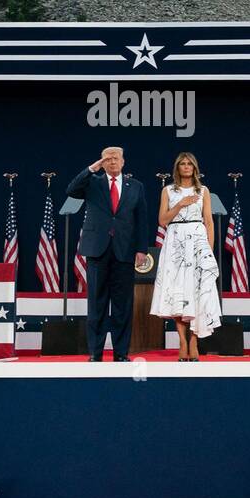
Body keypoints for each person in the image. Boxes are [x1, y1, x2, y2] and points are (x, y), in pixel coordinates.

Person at [66, 146, 149, 362]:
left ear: (123, 162)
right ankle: (95, 352)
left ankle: (121, 353)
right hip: (97, 249)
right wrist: (92, 168)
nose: (112, 161)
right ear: (102, 162)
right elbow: (71, 190)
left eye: (116, 158)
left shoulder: (136, 186)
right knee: (97, 303)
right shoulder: (92, 182)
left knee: (123, 305)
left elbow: (141, 220)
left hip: (124, 251)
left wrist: (141, 249)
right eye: (108, 158)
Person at [150, 152, 222, 361]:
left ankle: (193, 341)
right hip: (175, 242)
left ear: (195, 167)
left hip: (198, 243)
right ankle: (182, 341)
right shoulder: (168, 190)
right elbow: (162, 220)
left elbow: (208, 222)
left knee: (197, 292)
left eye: (190, 163)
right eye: (182, 163)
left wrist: (209, 251)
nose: (186, 166)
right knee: (177, 293)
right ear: (177, 168)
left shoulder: (204, 191)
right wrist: (180, 204)